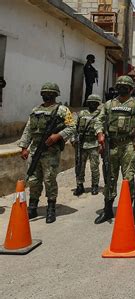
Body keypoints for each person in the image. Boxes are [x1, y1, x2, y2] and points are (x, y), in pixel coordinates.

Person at [93, 75, 135, 224]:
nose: (123, 88)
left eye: (126, 86)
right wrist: (100, 134)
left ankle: (127, 210)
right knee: (109, 178)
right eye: (120, 86)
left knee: (129, 178)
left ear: (131, 89)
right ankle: (107, 210)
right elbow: (98, 120)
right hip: (111, 145)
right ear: (116, 88)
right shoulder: (108, 104)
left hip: (129, 145)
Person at [18, 82, 75, 223]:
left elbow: (72, 127)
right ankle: (32, 207)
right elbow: (28, 129)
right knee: (33, 179)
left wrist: (58, 136)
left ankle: (51, 208)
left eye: (49, 93)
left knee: (49, 179)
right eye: (44, 93)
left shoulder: (62, 110)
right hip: (35, 149)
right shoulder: (35, 110)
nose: (46, 95)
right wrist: (24, 147)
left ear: (55, 95)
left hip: (51, 151)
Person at [73, 94, 102, 197]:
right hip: (81, 144)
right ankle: (79, 185)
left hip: (94, 144)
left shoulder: (100, 114)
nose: (92, 104)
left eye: (94, 103)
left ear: (98, 104)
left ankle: (95, 185)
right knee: (80, 166)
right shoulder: (81, 113)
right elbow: (75, 128)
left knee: (94, 166)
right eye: (90, 102)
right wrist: (74, 140)